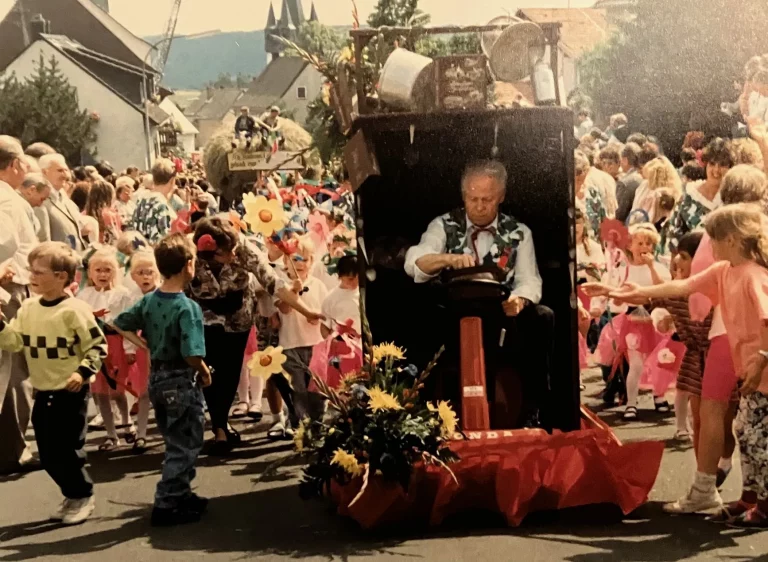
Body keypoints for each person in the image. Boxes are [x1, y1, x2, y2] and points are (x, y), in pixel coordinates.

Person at [590, 203, 768, 527]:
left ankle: (764, 506)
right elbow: (681, 286)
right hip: (753, 375)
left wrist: (761, 362)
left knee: (758, 438)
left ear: (733, 239)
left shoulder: (753, 275)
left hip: (763, 375)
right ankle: (751, 499)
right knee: (746, 432)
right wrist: (628, 291)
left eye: (713, 240)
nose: (709, 247)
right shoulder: (724, 270)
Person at [404, 160, 553, 427]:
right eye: (473, 199)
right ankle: (420, 412)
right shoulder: (443, 224)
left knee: (542, 317)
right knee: (417, 310)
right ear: (464, 196)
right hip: (450, 315)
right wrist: (446, 258)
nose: (480, 206)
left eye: (488, 199)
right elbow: (415, 263)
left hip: (500, 316)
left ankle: (533, 411)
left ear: (501, 197)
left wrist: (520, 299)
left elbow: (530, 279)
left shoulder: (520, 232)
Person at [187, 218, 324, 454]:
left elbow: (274, 283)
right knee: (209, 371)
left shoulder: (243, 249)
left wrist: (306, 310)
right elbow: (176, 285)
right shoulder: (190, 253)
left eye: (232, 251)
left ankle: (222, 425)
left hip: (238, 315)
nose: (231, 256)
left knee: (230, 371)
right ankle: (220, 428)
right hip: (204, 316)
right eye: (223, 254)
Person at [0, 242, 108, 524]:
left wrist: (82, 373)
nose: (31, 276)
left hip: (70, 393)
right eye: (30, 270)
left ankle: (82, 495)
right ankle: (72, 494)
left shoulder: (75, 310)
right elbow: (14, 342)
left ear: (61, 276)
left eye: (39, 271)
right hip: (44, 391)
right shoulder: (28, 308)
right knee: (47, 454)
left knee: (68, 450)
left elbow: (97, 346)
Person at [113, 233, 212, 527]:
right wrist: (204, 371)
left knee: (173, 437)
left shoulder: (150, 301)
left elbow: (120, 323)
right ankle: (168, 501)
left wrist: (144, 346)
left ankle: (182, 492)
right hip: (181, 378)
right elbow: (192, 352)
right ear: (189, 265)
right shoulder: (187, 307)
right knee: (187, 441)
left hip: (157, 376)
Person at [591, 223, 672, 419]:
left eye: (649, 244)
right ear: (630, 246)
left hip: (656, 321)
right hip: (633, 321)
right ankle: (631, 402)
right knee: (636, 364)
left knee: (658, 362)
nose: (645, 247)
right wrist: (617, 299)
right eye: (640, 243)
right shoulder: (623, 270)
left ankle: (658, 396)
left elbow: (664, 289)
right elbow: (616, 296)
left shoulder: (659, 267)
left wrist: (652, 266)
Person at [0, 136, 37, 474]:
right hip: (9, 288)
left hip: (12, 285)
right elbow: (9, 245)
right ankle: (13, 449)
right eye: (24, 161)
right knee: (14, 371)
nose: (27, 168)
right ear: (13, 165)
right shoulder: (7, 199)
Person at [76, 249, 135, 451]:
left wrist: (129, 348)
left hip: (115, 344)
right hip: (93, 346)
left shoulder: (122, 295)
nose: (102, 275)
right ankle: (111, 434)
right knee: (99, 392)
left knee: (117, 390)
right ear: (90, 273)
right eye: (98, 270)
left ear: (115, 272)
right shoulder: (83, 295)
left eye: (107, 270)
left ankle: (126, 422)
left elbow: (128, 325)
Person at [275, 236, 329, 426]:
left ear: (312, 262)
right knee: (297, 387)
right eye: (294, 259)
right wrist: (294, 291)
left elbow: (323, 313)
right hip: (290, 343)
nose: (299, 263)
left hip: (314, 343)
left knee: (317, 388)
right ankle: (300, 424)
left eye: (304, 259)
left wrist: (315, 318)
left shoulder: (318, 285)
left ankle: (318, 422)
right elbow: (284, 308)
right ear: (285, 261)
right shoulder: (281, 285)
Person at [666, 138, 734, 254]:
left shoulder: (732, 198)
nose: (716, 170)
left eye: (723, 165)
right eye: (712, 164)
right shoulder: (689, 194)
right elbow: (675, 233)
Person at [36, 153, 85, 251]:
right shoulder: (40, 201)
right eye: (60, 170)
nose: (65, 175)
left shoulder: (66, 200)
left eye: (66, 170)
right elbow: (44, 242)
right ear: (44, 172)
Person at [130, 159, 177, 245]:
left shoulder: (142, 199)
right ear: (172, 180)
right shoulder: (161, 206)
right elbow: (163, 242)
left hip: (139, 253)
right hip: (153, 255)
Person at [321, 254, 361, 336]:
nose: (355, 282)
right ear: (340, 276)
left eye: (359, 278)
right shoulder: (331, 298)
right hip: (341, 342)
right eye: (350, 279)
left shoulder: (362, 293)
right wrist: (331, 343)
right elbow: (324, 325)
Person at [575, 151, 607, 235]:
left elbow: (602, 221)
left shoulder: (593, 194)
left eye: (582, 180)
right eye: (577, 180)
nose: (580, 184)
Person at [85, 179, 122, 246]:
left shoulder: (83, 214)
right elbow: (115, 239)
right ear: (109, 196)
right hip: (106, 252)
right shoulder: (108, 215)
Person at [616, 143, 644, 223]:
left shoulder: (624, 183)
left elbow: (619, 214)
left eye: (620, 160)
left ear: (625, 160)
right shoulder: (644, 176)